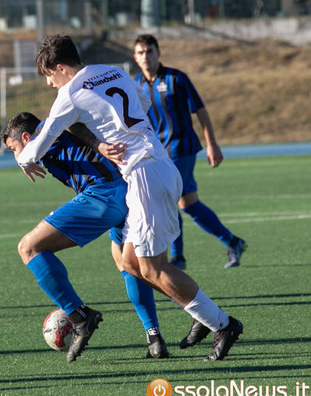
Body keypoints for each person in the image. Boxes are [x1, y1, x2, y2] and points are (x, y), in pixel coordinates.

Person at [17, 35, 243, 363]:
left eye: (49, 76)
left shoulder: (70, 93)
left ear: (61, 68)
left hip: (145, 175)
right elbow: (145, 103)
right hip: (155, 164)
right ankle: (203, 315)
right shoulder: (113, 71)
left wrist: (22, 159)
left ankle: (223, 324)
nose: (51, 84)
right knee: (131, 263)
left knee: (153, 268)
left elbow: (38, 145)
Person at [2, 112, 169, 362]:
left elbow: (67, 122)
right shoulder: (46, 138)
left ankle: (79, 316)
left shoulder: (48, 130)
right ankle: (155, 336)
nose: (16, 155)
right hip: (124, 192)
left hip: (103, 195)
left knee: (28, 247)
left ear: (27, 137)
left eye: (14, 148)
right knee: (129, 265)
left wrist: (24, 158)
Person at [133, 34, 246, 269]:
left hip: (181, 148)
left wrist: (212, 144)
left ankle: (178, 257)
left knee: (169, 200)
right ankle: (232, 241)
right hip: (157, 153)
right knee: (190, 204)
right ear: (135, 57)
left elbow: (200, 110)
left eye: (150, 51)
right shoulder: (136, 84)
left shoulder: (177, 78)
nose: (146, 56)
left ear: (158, 52)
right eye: (141, 52)